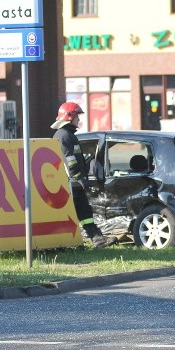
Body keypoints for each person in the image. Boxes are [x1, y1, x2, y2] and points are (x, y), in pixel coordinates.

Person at [51, 102, 115, 249]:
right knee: (72, 214)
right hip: (70, 184)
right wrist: (80, 178)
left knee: (84, 212)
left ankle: (97, 240)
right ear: (69, 117)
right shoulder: (64, 136)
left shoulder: (68, 135)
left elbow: (77, 159)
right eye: (77, 117)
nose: (78, 120)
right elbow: (70, 161)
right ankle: (72, 244)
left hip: (75, 183)